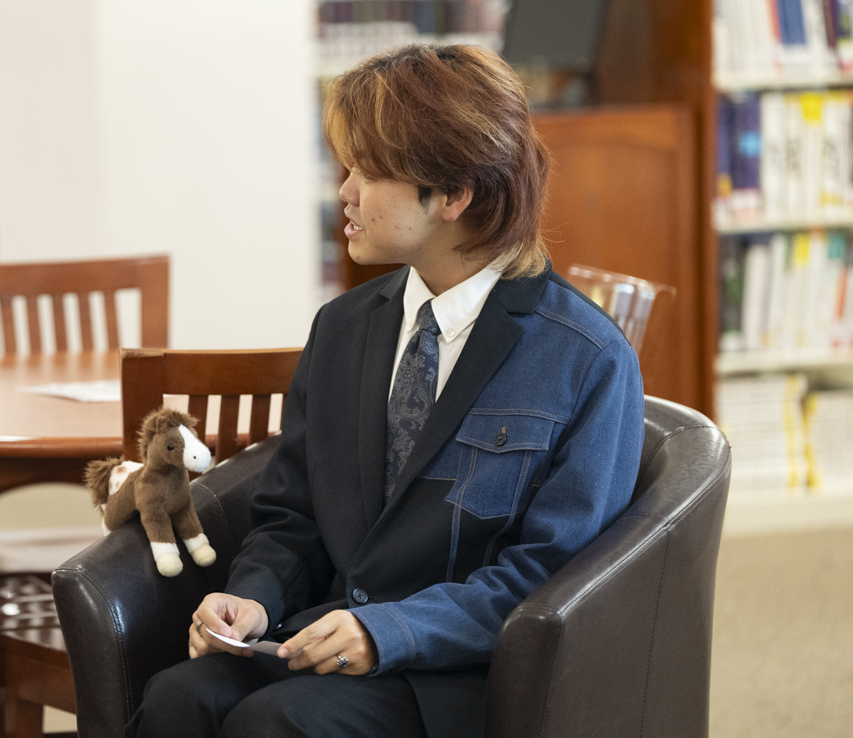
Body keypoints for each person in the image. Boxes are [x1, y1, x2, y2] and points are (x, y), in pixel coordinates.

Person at [126, 43, 645, 738]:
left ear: (454, 194)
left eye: (368, 173)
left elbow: (556, 577)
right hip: (323, 639)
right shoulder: (342, 327)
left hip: (460, 676)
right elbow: (293, 516)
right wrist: (253, 599)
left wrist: (391, 630)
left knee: (274, 723)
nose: (344, 192)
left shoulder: (586, 358)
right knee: (175, 699)